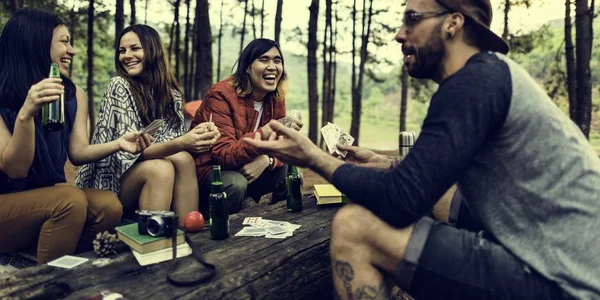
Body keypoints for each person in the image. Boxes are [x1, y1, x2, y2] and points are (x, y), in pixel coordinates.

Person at [244, 0, 600, 299]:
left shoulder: (473, 84)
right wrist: (389, 165)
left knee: (354, 226)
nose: (400, 33)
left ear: (453, 24)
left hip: (563, 279)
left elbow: (401, 203)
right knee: (443, 198)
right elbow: (430, 175)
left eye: (412, 19)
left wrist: (312, 156)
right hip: (568, 260)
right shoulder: (491, 76)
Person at [0, 9, 133, 264]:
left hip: (46, 198)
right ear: (36, 43)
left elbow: (78, 152)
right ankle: (48, 283)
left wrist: (118, 143)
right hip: (6, 205)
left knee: (109, 206)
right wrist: (25, 115)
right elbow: (15, 169)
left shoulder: (73, 95)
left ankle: (49, 256)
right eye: (64, 41)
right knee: (69, 200)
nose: (71, 50)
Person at [76, 24, 219, 226]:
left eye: (135, 48)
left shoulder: (172, 95)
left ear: (152, 49)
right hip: (110, 179)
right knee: (160, 168)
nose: (126, 55)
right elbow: (132, 153)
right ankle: (154, 240)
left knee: (184, 159)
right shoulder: (120, 85)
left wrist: (197, 136)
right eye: (122, 50)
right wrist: (183, 142)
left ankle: (188, 230)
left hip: (144, 172)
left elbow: (172, 144)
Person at [191, 38, 302, 217]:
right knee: (235, 184)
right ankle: (218, 231)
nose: (272, 66)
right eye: (264, 60)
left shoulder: (276, 96)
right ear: (247, 67)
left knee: (291, 173)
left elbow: (284, 147)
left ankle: (282, 227)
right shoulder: (220, 95)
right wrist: (265, 132)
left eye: (277, 60)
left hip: (250, 163)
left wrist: (267, 161)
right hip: (213, 169)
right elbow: (222, 153)